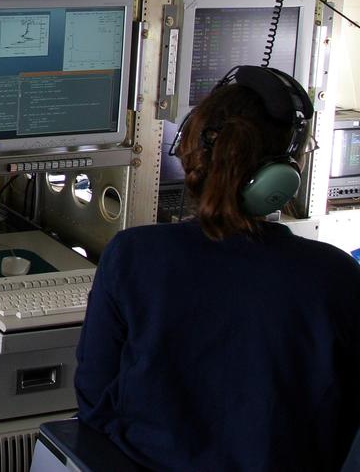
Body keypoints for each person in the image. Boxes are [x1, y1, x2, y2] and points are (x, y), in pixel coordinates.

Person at [75, 65, 360, 471]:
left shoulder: (133, 256)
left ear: (191, 153)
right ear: (284, 173)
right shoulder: (338, 276)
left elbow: (93, 402)